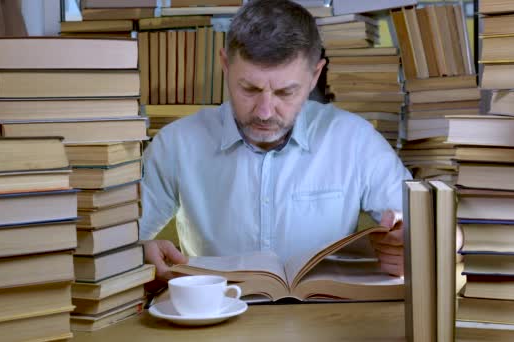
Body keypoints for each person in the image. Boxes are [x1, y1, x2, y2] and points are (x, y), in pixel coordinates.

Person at [139, 0, 412, 284]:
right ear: (225, 65)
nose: (265, 112)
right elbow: (114, 247)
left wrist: (410, 243)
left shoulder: (355, 141)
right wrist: (140, 252)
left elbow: (439, 232)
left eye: (285, 92)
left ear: (314, 75)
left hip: (326, 318)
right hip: (213, 319)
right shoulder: (175, 144)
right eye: (249, 89)